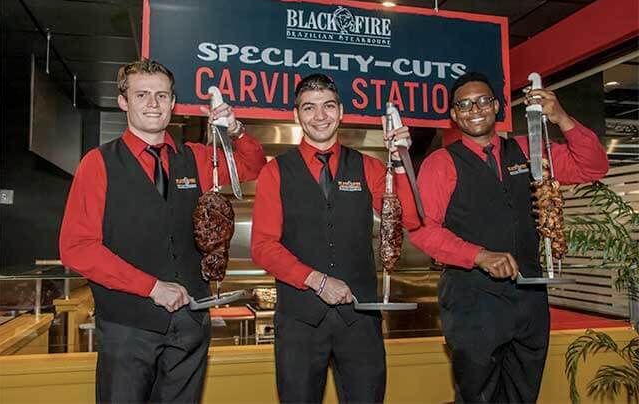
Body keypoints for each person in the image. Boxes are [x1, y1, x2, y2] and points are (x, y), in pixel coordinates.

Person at [59, 58, 266, 404]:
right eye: (142, 95)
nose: (153, 104)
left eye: (161, 95)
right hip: (128, 327)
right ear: (124, 102)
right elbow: (77, 247)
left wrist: (236, 130)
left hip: (190, 322)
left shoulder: (197, 157)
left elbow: (253, 166)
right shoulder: (98, 164)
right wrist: (151, 287)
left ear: (173, 102)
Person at [408, 72, 609, 403]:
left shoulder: (527, 148)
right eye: (465, 104)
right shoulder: (440, 163)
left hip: (529, 295)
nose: (476, 109)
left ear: (497, 108)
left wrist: (560, 117)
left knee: (523, 393)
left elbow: (593, 167)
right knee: (478, 395)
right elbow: (422, 230)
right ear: (455, 115)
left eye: (484, 101)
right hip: (471, 298)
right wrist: (479, 256)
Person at [251, 74, 421, 403]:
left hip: (359, 320)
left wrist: (399, 161)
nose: (320, 116)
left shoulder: (369, 167)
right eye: (309, 108)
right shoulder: (276, 172)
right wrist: (316, 280)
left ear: (341, 112)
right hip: (300, 322)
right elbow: (262, 246)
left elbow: (409, 219)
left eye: (328, 106)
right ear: (295, 115)